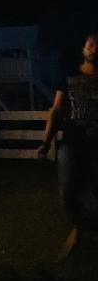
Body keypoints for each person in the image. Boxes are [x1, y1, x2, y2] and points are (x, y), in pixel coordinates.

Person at [37, 31, 98, 258]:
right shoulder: (69, 76)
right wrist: (45, 142)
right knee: (68, 193)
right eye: (91, 44)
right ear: (83, 48)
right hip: (73, 142)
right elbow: (56, 110)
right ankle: (79, 227)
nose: (95, 49)